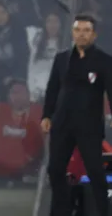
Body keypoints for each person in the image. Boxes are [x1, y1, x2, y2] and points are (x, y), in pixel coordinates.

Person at [42, 14, 112, 216]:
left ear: (94, 34)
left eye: (86, 31)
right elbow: (52, 89)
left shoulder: (104, 61)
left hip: (89, 126)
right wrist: (47, 115)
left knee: (96, 172)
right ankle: (61, 211)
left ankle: (103, 212)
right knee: (55, 170)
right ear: (72, 33)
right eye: (78, 30)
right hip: (62, 123)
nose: (81, 35)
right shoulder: (61, 58)